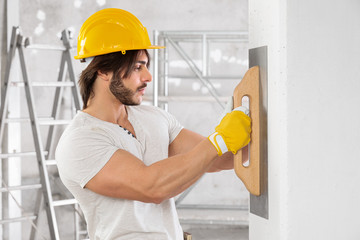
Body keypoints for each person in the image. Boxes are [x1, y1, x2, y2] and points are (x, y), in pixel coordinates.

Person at [55, 8, 251, 240]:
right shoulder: (81, 140)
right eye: (138, 67)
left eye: (146, 65)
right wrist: (218, 140)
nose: (148, 76)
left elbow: (222, 158)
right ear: (103, 70)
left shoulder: (154, 118)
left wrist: (248, 125)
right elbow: (152, 187)